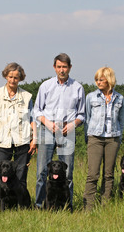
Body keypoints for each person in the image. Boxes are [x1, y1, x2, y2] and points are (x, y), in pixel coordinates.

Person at [33, 53, 86, 210]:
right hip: (47, 129)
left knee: (67, 174)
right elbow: (36, 110)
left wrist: (73, 124)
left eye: (65, 67)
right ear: (54, 68)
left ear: (70, 67)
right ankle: (39, 205)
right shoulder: (46, 86)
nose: (62, 70)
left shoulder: (77, 88)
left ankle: (66, 206)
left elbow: (82, 114)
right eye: (59, 67)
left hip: (67, 130)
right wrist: (47, 123)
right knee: (42, 172)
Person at [0, 63, 37, 210]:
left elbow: (33, 119)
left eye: (16, 77)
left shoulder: (27, 96)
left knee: (20, 176)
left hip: (23, 140)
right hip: (2, 141)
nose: (13, 80)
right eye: (10, 77)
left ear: (20, 78)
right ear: (5, 76)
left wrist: (35, 139)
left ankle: (23, 207)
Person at [83, 67, 124, 210]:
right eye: (96, 79)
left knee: (109, 174)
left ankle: (104, 206)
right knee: (93, 174)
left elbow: (121, 120)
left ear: (109, 80)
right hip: (95, 138)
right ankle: (88, 208)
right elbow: (87, 118)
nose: (98, 82)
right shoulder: (91, 97)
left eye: (101, 79)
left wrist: (119, 136)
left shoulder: (119, 98)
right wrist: (87, 137)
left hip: (113, 139)